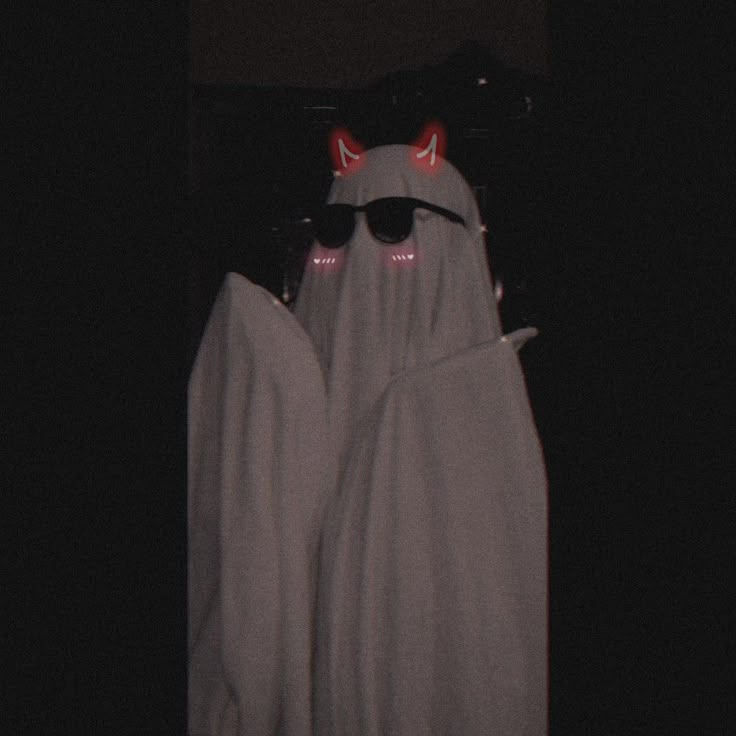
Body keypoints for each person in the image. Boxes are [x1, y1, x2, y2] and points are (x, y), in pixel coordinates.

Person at [188, 140, 547, 735]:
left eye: (394, 222)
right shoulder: (273, 409)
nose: (356, 250)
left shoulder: (487, 426)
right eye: (334, 227)